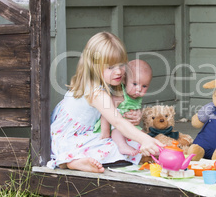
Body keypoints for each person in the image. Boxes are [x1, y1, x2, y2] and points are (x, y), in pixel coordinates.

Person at [47, 32, 163, 173]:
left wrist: (134, 115)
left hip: (81, 133)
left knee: (128, 143)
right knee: (123, 147)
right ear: (93, 66)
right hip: (70, 138)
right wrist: (144, 139)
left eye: (121, 65)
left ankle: (73, 159)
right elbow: (117, 121)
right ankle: (72, 161)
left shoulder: (101, 82)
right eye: (111, 67)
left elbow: (121, 110)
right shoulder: (96, 92)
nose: (119, 71)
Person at [94, 59, 152, 156]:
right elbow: (106, 113)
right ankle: (122, 145)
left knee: (143, 133)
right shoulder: (120, 96)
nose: (139, 89)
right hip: (115, 125)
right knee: (118, 131)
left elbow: (135, 108)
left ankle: (147, 150)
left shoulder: (136, 97)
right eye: (134, 84)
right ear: (124, 80)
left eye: (144, 86)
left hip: (128, 125)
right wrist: (105, 133)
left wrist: (137, 114)